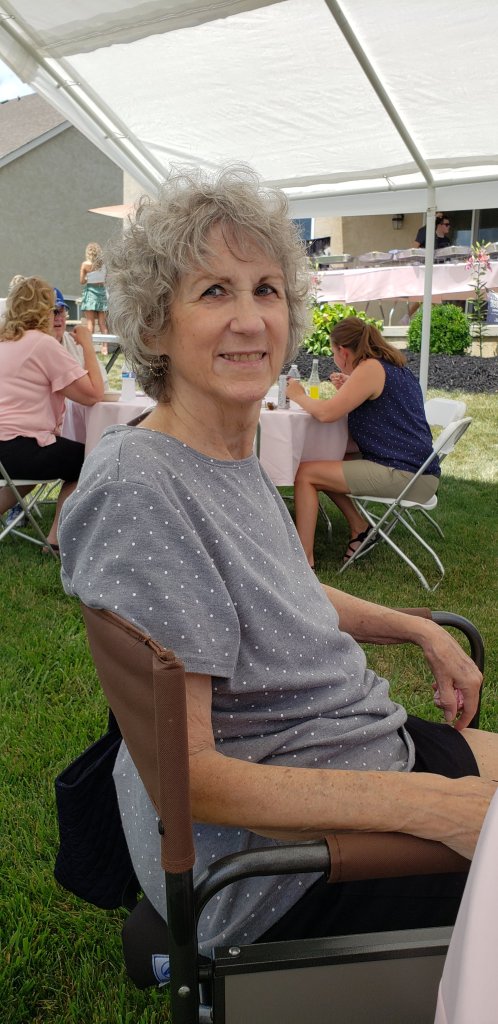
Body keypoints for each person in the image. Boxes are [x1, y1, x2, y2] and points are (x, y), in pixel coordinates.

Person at [58, 167, 497, 955]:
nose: (250, 318)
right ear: (154, 327)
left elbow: (287, 589)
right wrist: (434, 809)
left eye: (266, 289)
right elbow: (194, 777)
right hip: (281, 871)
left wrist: (420, 630)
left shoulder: (229, 452)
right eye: (213, 292)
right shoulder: (140, 487)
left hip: (363, 747)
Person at [286, 316, 440, 567]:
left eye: (334, 353)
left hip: (407, 476)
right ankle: (360, 528)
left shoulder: (369, 368)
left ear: (343, 351)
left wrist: (298, 395)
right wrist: (350, 388)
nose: (335, 358)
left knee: (306, 474)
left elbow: (326, 413)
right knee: (328, 460)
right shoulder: (392, 366)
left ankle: (303, 562)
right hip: (417, 471)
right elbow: (383, 412)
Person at [0, 276, 104, 552]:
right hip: (20, 447)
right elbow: (93, 394)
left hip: (5, 451)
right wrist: (87, 344)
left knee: (30, 472)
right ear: (43, 310)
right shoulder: (42, 344)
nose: (55, 315)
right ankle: (55, 540)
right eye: (53, 309)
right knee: (92, 458)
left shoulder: (4, 342)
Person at [52, 286, 110, 391]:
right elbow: (94, 393)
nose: (58, 318)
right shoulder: (38, 347)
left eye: (61, 312)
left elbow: (103, 383)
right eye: (53, 312)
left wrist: (87, 344)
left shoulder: (76, 342)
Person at [79, 242, 108, 336]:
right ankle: (105, 344)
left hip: (91, 293)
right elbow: (106, 279)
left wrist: (88, 278)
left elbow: (82, 281)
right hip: (102, 293)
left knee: (90, 323)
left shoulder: (85, 264)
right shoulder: (104, 264)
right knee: (102, 324)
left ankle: (89, 343)